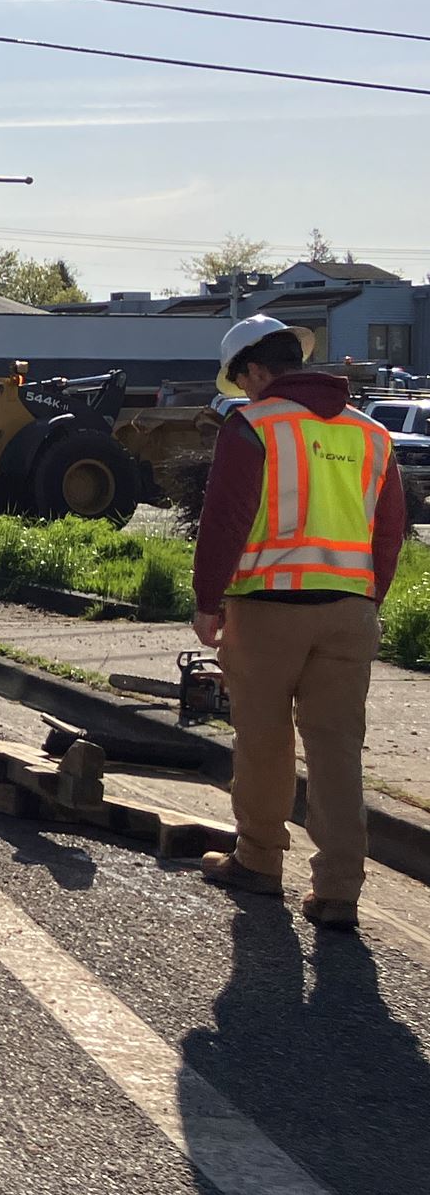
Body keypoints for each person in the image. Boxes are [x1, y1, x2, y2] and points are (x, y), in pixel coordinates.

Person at [192, 315, 406, 931]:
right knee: (338, 748)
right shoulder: (371, 434)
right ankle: (339, 889)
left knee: (264, 741)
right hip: (349, 610)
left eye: (243, 381)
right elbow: (388, 533)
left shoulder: (253, 425)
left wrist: (209, 601)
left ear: (257, 370)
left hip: (266, 609)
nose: (244, 392)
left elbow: (226, 520)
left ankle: (259, 861)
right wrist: (367, 602)